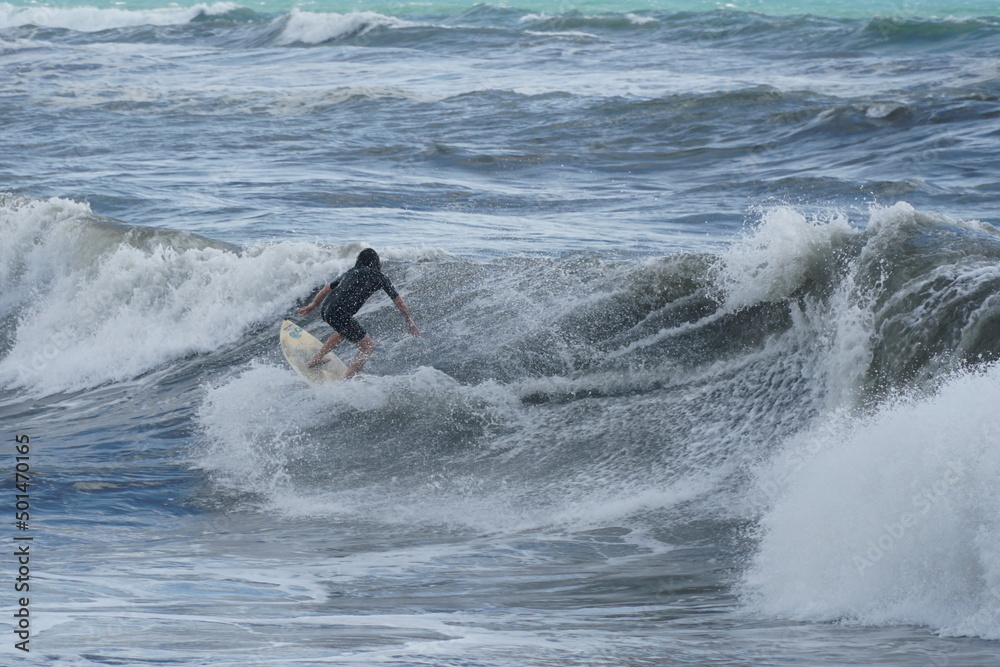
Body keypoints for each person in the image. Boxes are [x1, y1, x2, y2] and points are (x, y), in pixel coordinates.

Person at [297, 248, 419, 378]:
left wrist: (313, 305)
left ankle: (315, 360)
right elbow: (399, 302)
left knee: (341, 333)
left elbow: (327, 288)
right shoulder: (380, 277)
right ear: (376, 263)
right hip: (340, 313)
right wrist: (408, 320)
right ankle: (345, 381)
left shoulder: (351, 272)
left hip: (326, 308)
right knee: (368, 347)